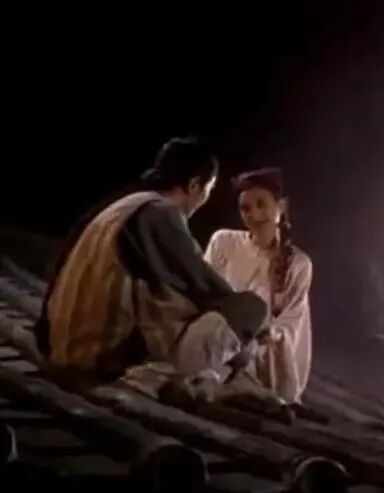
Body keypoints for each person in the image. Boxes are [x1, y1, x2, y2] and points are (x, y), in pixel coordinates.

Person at [33, 137, 267, 395]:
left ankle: (199, 378)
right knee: (252, 308)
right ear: (194, 185)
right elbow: (208, 287)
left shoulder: (122, 206)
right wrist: (253, 328)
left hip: (61, 350)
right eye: (207, 191)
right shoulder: (159, 212)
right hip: (97, 361)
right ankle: (159, 378)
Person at [204, 167, 313, 404]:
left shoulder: (298, 264)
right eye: (246, 208)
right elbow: (206, 292)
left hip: (262, 352)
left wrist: (267, 334)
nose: (254, 215)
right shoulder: (224, 242)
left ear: (281, 206)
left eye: (261, 204)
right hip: (219, 337)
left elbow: (291, 321)